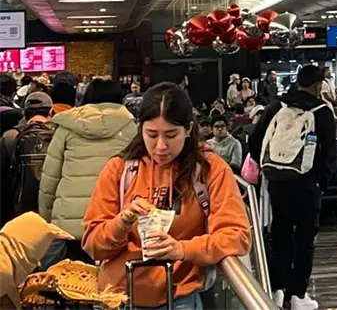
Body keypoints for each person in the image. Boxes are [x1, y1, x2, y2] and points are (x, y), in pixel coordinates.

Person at [82, 82, 250, 310]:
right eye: (151, 134)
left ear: (189, 129)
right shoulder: (120, 169)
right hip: (116, 299)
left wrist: (183, 249)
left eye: (171, 135)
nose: (160, 146)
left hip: (179, 299)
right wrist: (122, 222)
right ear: (140, 128)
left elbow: (236, 235)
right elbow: (93, 244)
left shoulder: (210, 169)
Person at [250, 64, 336, 310]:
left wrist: (270, 169)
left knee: (280, 234)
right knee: (305, 237)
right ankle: (298, 294)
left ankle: (277, 289)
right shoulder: (322, 111)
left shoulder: (277, 106)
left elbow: (256, 140)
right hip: (307, 184)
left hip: (277, 182)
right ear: (318, 85)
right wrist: (320, 181)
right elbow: (330, 152)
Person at [39, 79, 137, 262]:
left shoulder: (67, 127)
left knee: (67, 281)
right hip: (112, 220)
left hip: (68, 222)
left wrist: (46, 218)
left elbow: (49, 178)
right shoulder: (131, 128)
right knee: (107, 286)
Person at [0, 92, 54, 225]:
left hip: (20, 205)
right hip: (52, 205)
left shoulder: (10, 136)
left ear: (25, 112)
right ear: (51, 111)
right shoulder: (59, 135)